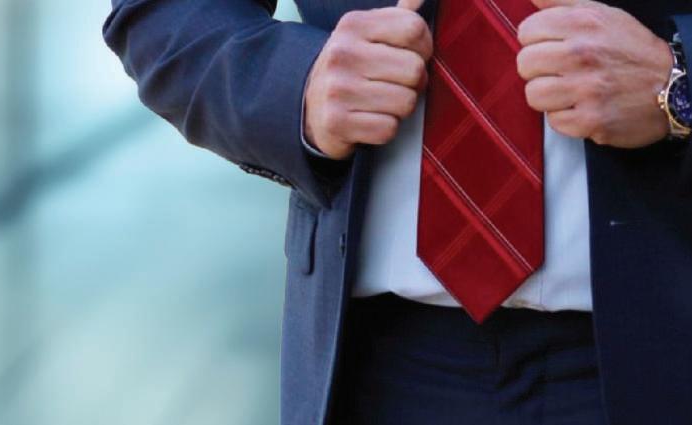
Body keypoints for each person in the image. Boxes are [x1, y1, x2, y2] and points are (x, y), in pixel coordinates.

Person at [104, 0, 692, 423]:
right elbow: (167, 14)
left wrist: (678, 82)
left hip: (665, 329)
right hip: (370, 361)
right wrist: (298, 87)